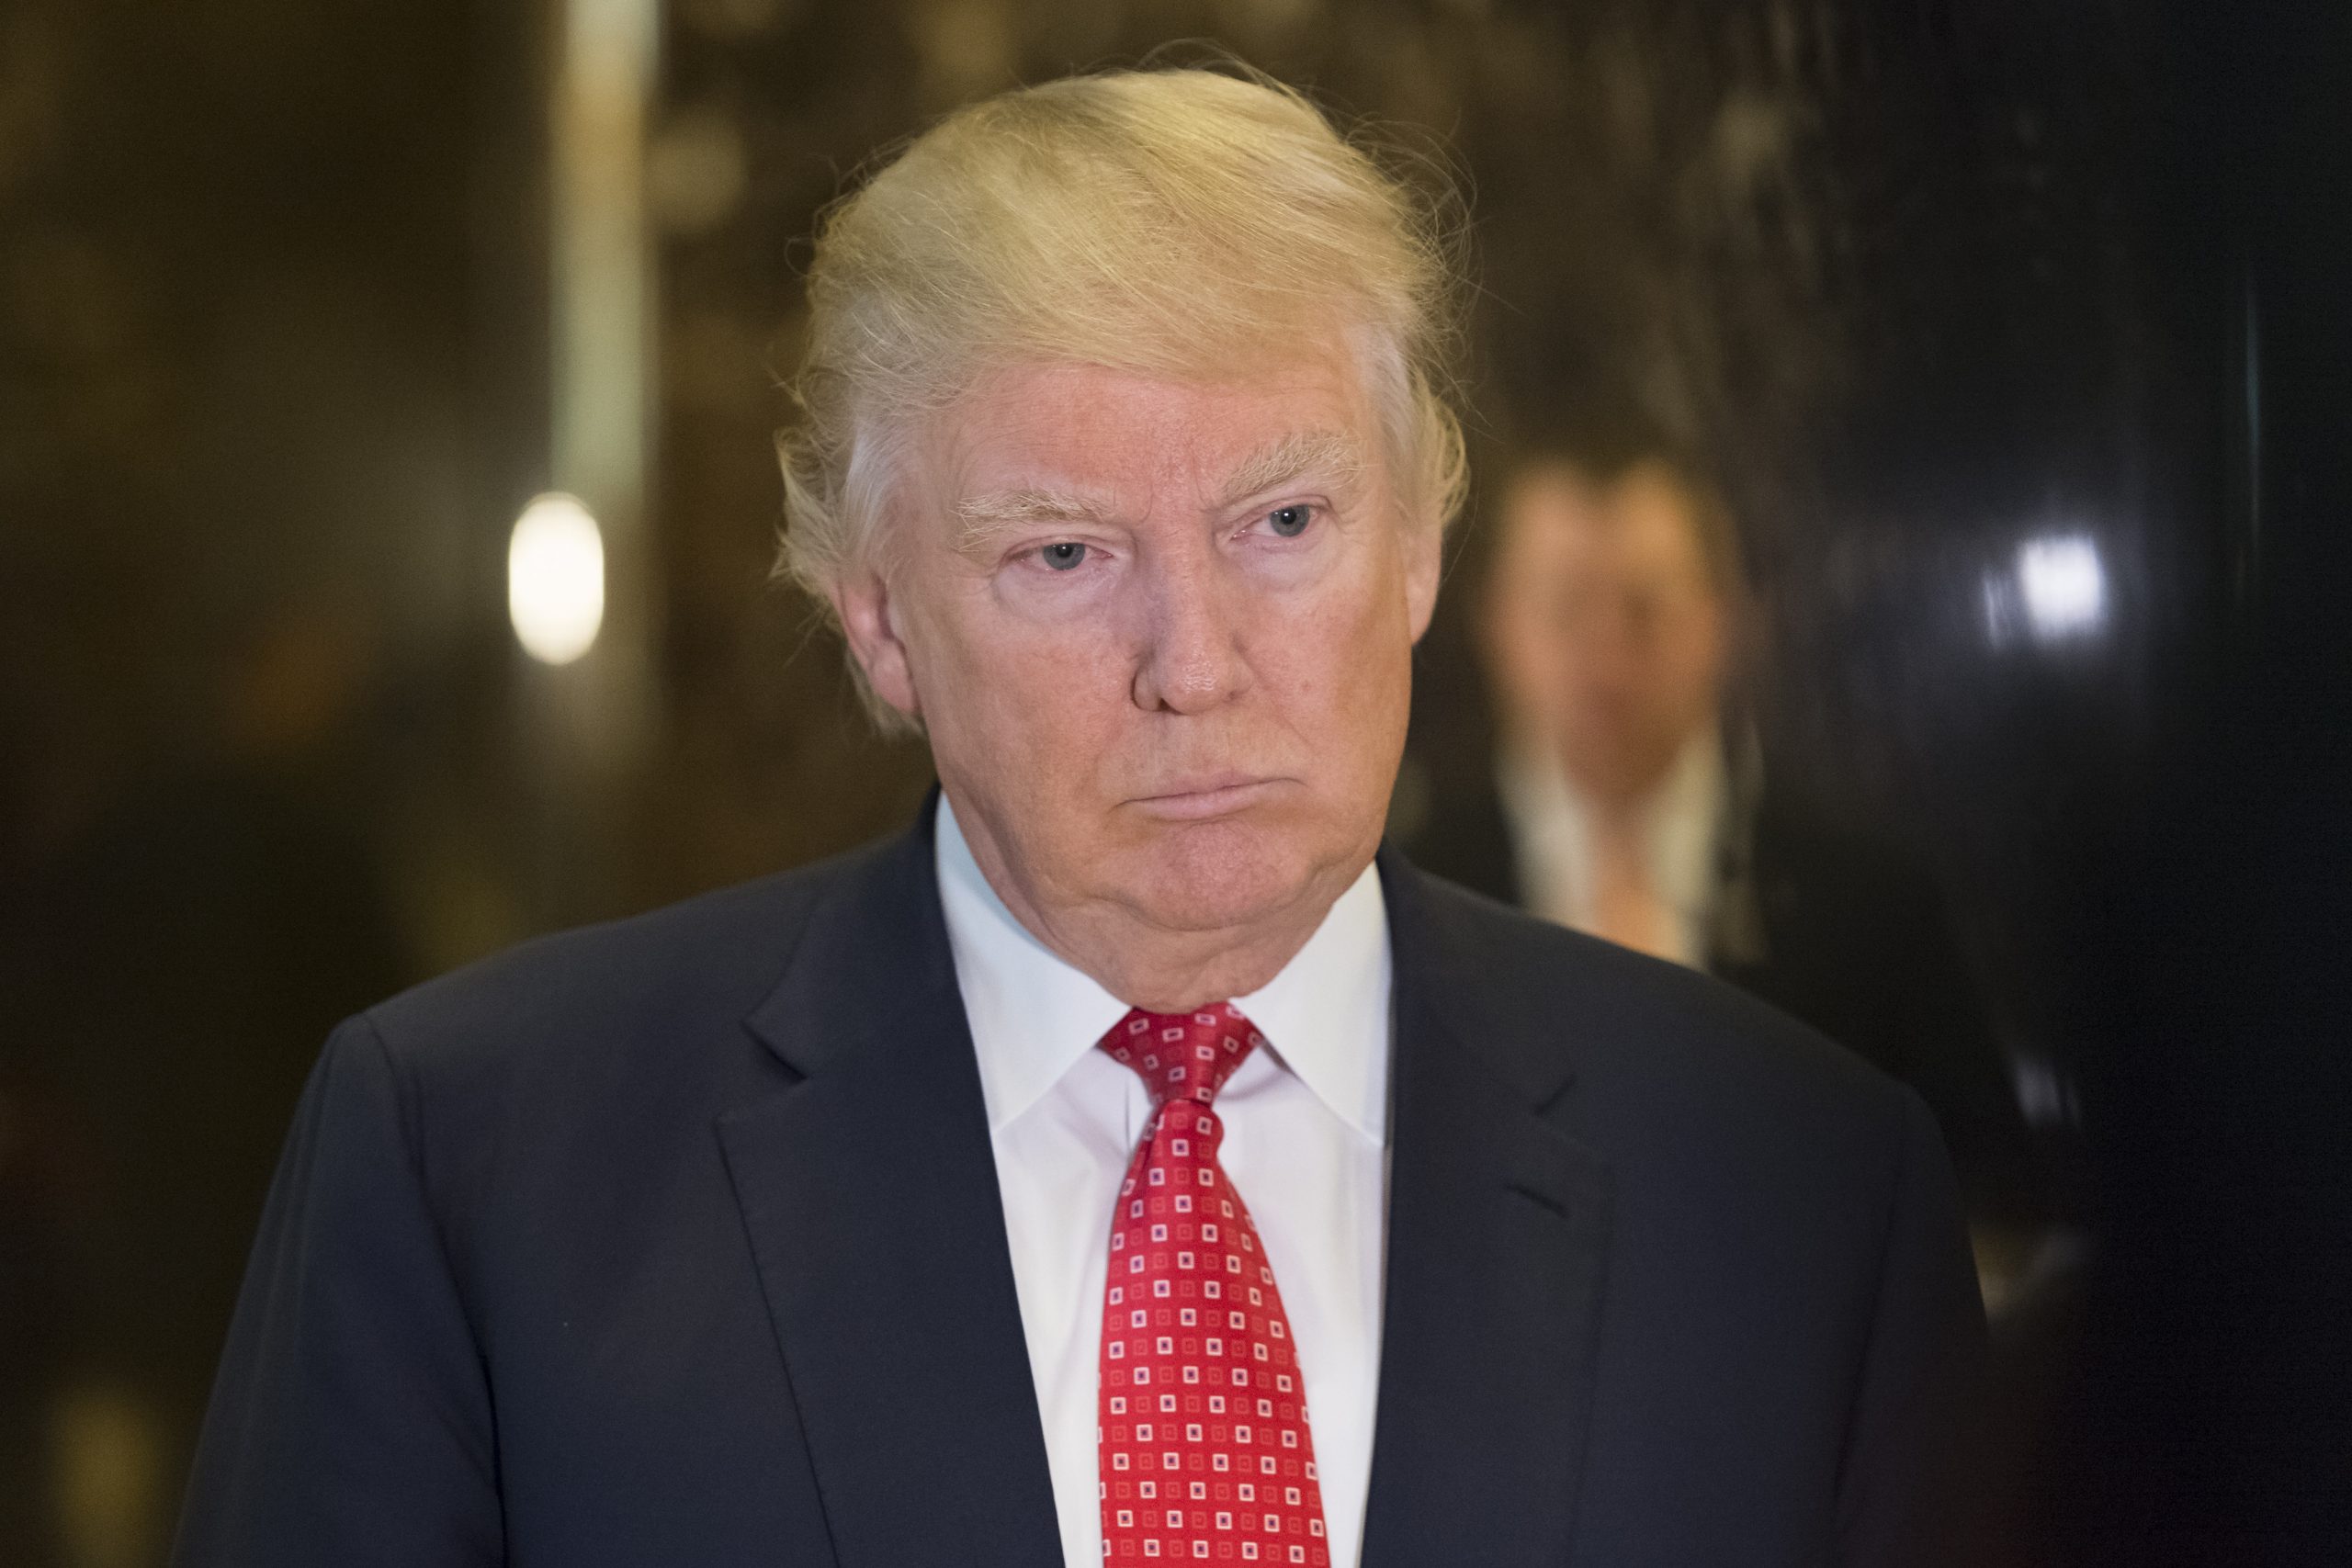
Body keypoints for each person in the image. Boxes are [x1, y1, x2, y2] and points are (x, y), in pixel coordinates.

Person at [174, 68, 1984, 1567]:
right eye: (1062, 553)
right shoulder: (477, 1175)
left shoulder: (1793, 1192)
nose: (1194, 664)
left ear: (1422, 548)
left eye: (1283, 524)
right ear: (878, 620)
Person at [1408, 448, 2043, 1228]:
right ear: (1495, 620)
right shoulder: (1407, 888)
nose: (1607, 656)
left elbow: (1989, 1213)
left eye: (1645, 606)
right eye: (1567, 605)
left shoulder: (1869, 908)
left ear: (1725, 615)